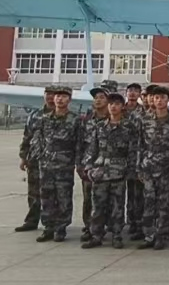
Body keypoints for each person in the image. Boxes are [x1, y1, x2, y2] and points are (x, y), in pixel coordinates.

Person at [81, 91, 136, 249]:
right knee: (98, 206)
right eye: (111, 104)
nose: (113, 107)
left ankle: (117, 235)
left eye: (117, 104)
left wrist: (131, 170)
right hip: (100, 172)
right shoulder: (99, 127)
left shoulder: (128, 127)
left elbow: (132, 150)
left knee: (117, 207)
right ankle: (96, 235)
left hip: (119, 171)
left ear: (122, 107)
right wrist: (88, 167)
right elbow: (92, 149)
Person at [32, 85, 82, 243]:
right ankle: (48, 227)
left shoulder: (75, 120)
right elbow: (37, 138)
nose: (60, 99)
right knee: (46, 196)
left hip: (64, 165)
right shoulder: (44, 119)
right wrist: (39, 156)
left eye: (64, 96)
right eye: (57, 96)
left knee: (63, 197)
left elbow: (79, 143)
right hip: (46, 165)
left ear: (69, 100)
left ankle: (61, 228)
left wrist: (77, 162)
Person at [137, 85, 169, 250]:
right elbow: (140, 145)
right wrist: (139, 167)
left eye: (162, 97)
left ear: (168, 99)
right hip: (148, 166)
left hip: (166, 167)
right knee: (148, 201)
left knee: (163, 203)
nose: (159, 101)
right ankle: (149, 235)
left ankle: (161, 234)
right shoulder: (145, 120)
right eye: (156, 98)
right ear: (152, 99)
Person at [15, 86, 55, 232]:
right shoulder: (35, 115)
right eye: (47, 94)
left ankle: (52, 223)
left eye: (53, 94)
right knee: (33, 192)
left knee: (52, 194)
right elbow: (27, 136)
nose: (50, 97)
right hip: (35, 159)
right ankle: (32, 221)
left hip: (54, 162)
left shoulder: (62, 115)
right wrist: (23, 157)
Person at [77, 85, 110, 243]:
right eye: (96, 98)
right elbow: (79, 143)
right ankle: (89, 227)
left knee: (106, 198)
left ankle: (105, 226)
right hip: (89, 164)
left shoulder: (114, 119)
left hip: (107, 165)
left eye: (102, 97)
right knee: (88, 198)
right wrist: (79, 164)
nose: (98, 100)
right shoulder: (86, 120)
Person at [123, 82, 145, 240]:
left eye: (136, 91)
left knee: (136, 193)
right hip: (118, 158)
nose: (132, 93)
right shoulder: (118, 109)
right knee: (117, 193)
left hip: (135, 157)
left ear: (139, 94)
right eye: (130, 90)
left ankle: (135, 222)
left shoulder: (144, 112)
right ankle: (115, 222)